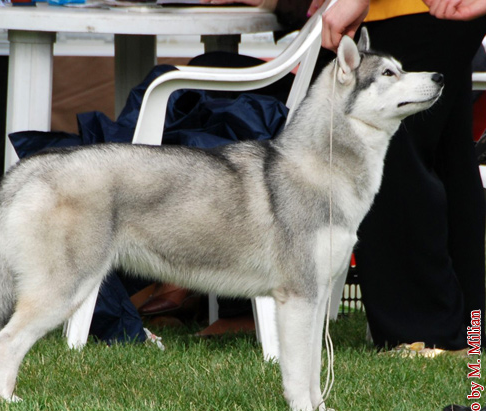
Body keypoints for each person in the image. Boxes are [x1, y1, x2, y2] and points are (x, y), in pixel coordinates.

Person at [197, 0, 486, 349]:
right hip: (431, 13)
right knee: (450, 160)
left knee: (399, 165)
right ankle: (470, 330)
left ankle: (425, 336)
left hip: (404, 10)